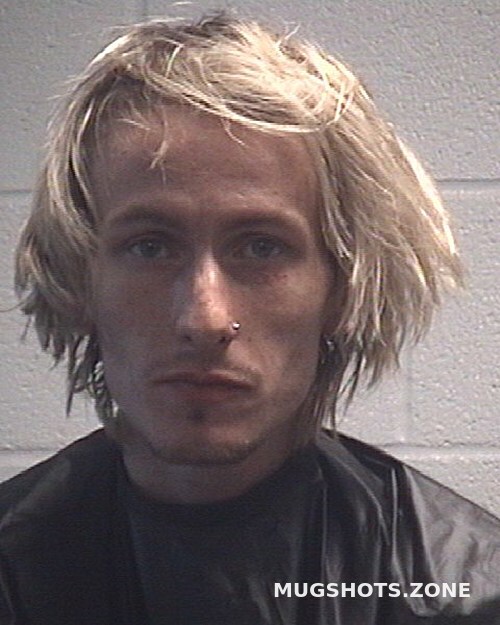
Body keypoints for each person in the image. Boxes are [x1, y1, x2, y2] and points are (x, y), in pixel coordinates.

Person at [1, 12, 499, 625]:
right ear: (80, 280)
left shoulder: (459, 591)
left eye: (261, 247)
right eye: (150, 247)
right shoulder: (13, 573)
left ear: (342, 289)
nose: (204, 318)